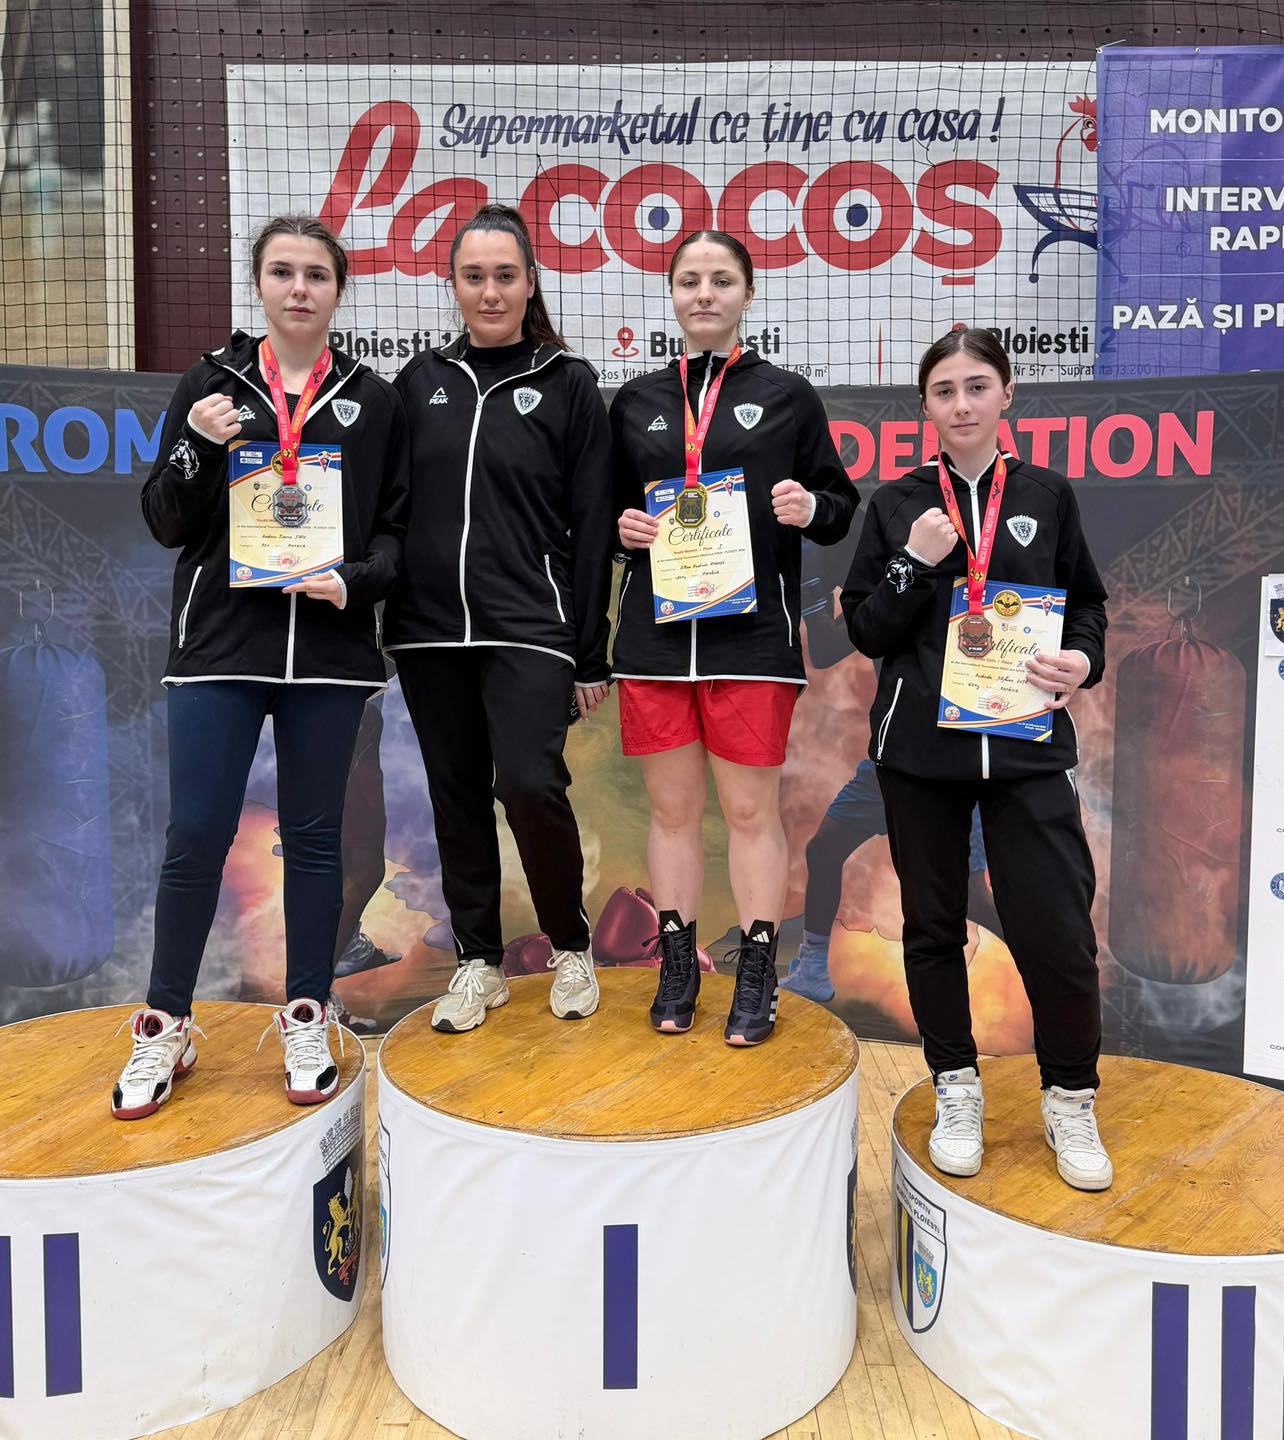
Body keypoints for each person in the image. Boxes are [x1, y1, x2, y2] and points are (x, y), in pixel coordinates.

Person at [112, 213, 410, 1119]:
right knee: (197, 835)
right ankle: (166, 1023)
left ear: (338, 291)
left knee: (316, 842)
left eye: (316, 274)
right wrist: (198, 444)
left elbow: (397, 535)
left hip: (327, 655)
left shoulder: (371, 399)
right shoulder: (210, 383)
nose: (299, 289)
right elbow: (164, 518)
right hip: (220, 649)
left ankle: (307, 1013)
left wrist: (352, 582)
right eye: (283, 272)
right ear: (260, 284)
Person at [840, 327, 1111, 1191]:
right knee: (932, 930)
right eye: (945, 390)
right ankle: (956, 1084)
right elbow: (866, 630)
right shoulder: (896, 504)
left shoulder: (1047, 494)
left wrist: (1082, 661)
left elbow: (1087, 606)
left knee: (1058, 935)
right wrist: (912, 564)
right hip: (922, 753)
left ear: (1007, 395)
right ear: (925, 405)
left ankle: (1070, 1097)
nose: (961, 404)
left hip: (1025, 747)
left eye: (977, 386)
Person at [611, 230, 857, 1046]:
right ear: (673, 295)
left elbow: (840, 504)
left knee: (750, 811)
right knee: (672, 810)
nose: (705, 294)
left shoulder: (788, 396)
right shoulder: (635, 401)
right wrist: (622, 529)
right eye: (690, 280)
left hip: (752, 641)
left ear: (747, 294)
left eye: (721, 280)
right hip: (656, 642)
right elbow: (603, 514)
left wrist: (810, 508)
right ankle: (678, 965)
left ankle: (757, 971)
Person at [386, 203, 614, 1033]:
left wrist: (590, 653)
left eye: (505, 276)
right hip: (429, 631)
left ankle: (570, 945)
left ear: (530, 283)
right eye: (474, 276)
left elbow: (593, 526)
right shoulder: (420, 382)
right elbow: (389, 505)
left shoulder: (568, 383)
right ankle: (478, 962)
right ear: (452, 284)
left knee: (526, 782)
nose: (490, 292)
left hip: (530, 626)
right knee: (454, 797)